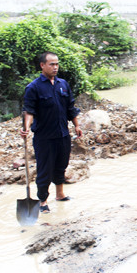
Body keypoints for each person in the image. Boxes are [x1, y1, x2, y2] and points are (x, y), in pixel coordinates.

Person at [20, 52, 83, 213]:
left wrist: (77, 125)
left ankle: (60, 194)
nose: (55, 67)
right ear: (42, 65)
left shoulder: (63, 84)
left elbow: (70, 107)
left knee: (61, 165)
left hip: (62, 134)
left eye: (57, 64)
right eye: (51, 64)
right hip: (44, 137)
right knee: (44, 169)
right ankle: (42, 201)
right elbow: (29, 111)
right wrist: (26, 128)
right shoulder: (33, 87)